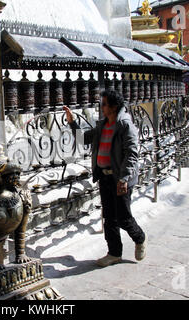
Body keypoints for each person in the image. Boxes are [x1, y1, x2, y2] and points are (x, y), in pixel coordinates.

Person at [64, 89, 146, 267]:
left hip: (120, 179)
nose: (101, 107)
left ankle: (140, 238)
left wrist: (124, 178)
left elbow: (132, 154)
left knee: (123, 218)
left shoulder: (125, 125)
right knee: (109, 218)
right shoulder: (102, 125)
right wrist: (72, 123)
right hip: (105, 177)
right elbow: (83, 139)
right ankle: (114, 253)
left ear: (114, 107)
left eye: (104, 104)